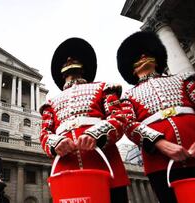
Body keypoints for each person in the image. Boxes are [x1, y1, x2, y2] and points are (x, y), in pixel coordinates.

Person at [116, 31, 195, 203]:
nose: (143, 56)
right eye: (137, 56)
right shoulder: (127, 97)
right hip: (162, 164)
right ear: (130, 66)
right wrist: (160, 144)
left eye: (147, 52)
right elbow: (129, 124)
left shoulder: (183, 79)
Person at [40, 37, 130, 202]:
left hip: (106, 165)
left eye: (73, 57)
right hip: (67, 171)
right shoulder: (50, 103)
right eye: (65, 60)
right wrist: (56, 142)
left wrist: (96, 134)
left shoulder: (104, 88)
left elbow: (119, 118)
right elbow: (45, 133)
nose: (68, 60)